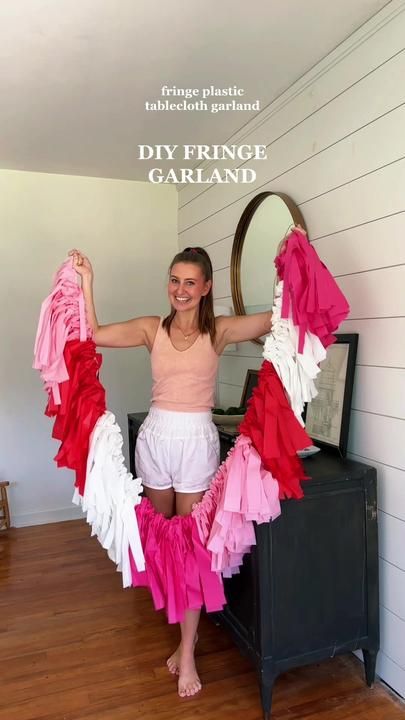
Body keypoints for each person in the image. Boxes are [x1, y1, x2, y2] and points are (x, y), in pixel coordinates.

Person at [69, 245, 272, 698]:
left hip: (196, 442)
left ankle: (188, 654)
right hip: (155, 440)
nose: (180, 290)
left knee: (192, 549)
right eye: (174, 280)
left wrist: (287, 259)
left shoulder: (218, 331)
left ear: (206, 287)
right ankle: (187, 632)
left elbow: (276, 319)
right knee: (162, 543)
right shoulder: (150, 328)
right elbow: (95, 333)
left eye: (189, 282)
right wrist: (87, 280)